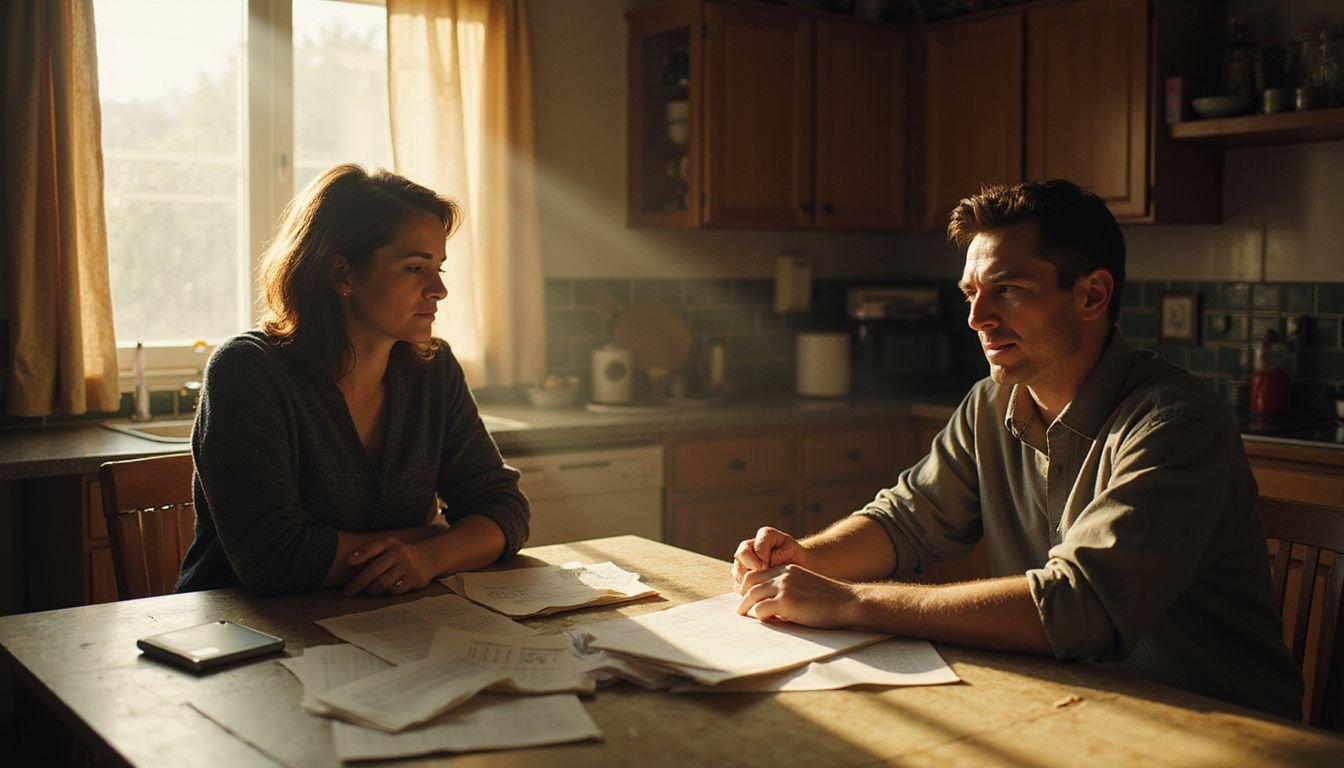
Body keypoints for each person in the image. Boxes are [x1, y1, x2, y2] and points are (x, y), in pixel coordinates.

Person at [732, 180, 1303, 720]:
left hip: (1213, 729)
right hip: (1069, 708)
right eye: (972, 294)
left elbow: (1081, 605)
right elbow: (906, 522)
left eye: (1007, 289)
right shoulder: (990, 403)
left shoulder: (1175, 425)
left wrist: (850, 601)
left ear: (1092, 294)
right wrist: (806, 559)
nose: (978, 319)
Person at [176, 164, 529, 597]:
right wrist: (433, 535)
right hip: (242, 637)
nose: (439, 290)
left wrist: (429, 558)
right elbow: (276, 559)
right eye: (415, 269)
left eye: (439, 267)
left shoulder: (434, 369)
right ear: (342, 274)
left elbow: (505, 509)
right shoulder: (248, 371)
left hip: (384, 625)